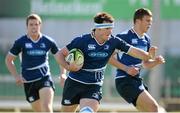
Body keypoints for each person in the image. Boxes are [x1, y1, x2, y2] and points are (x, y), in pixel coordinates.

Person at [57, 12, 153, 113]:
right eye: (107, 28)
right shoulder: (82, 41)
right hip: (74, 83)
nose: (110, 31)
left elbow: (133, 50)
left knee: (87, 111)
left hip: (94, 86)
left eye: (111, 28)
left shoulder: (113, 41)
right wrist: (66, 69)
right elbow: (60, 54)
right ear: (98, 28)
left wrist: (148, 55)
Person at [108, 8, 165, 112]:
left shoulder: (146, 39)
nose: (150, 24)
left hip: (136, 80)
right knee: (154, 107)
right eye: (147, 21)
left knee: (148, 110)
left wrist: (156, 62)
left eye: (151, 21)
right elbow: (108, 58)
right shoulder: (124, 37)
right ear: (138, 21)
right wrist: (126, 69)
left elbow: (145, 64)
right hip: (124, 80)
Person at [5, 14, 60, 112]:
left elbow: (60, 58)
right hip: (29, 81)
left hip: (44, 78)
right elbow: (8, 60)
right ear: (27, 26)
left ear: (40, 25)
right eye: (31, 25)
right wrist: (16, 76)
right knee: (39, 111)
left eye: (36, 24)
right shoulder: (20, 42)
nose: (34, 27)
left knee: (46, 107)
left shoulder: (48, 41)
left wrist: (63, 74)